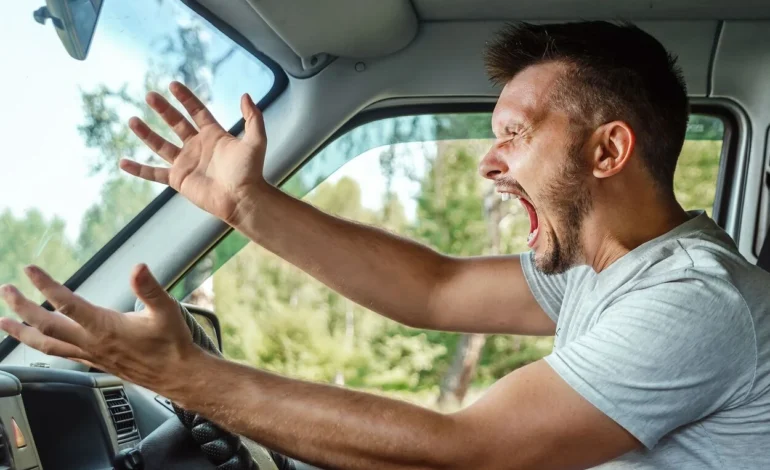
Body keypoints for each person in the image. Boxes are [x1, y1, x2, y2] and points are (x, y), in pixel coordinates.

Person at [1, 20, 769, 469]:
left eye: (513, 135)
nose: (489, 160)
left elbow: (463, 450)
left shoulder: (692, 300)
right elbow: (428, 289)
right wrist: (246, 204)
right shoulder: (608, 272)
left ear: (608, 153)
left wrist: (187, 376)